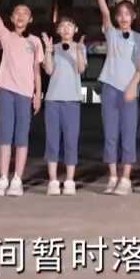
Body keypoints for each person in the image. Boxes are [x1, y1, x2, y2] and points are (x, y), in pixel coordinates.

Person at [0, 0, 43, 197]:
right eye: (17, 12)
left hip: (25, 93)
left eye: (25, 13)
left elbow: (37, 71)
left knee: (21, 136)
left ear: (30, 19)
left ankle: (17, 179)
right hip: (6, 90)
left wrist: (38, 95)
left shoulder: (35, 41)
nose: (21, 16)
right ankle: (3, 178)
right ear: (12, 18)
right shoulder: (6, 36)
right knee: (5, 135)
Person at [91, 0, 140, 196]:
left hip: (129, 92)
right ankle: (113, 176)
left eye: (127, 14)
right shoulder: (112, 34)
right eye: (120, 14)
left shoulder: (139, 39)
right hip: (110, 89)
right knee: (110, 134)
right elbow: (105, 14)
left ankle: (126, 178)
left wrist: (133, 85)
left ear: (133, 17)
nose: (123, 17)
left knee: (128, 134)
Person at [41, 19, 86, 196]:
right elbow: (48, 70)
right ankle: (53, 180)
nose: (66, 29)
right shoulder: (54, 48)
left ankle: (69, 180)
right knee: (52, 140)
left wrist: (78, 51)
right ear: (58, 30)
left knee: (71, 140)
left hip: (72, 101)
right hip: (53, 100)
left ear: (75, 29)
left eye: (70, 26)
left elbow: (81, 69)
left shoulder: (80, 47)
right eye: (63, 26)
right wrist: (48, 50)